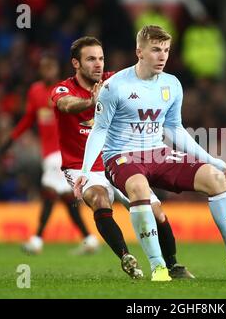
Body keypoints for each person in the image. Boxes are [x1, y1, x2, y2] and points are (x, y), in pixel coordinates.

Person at [75, 25, 226, 281]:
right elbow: (99, 131)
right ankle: (158, 266)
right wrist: (84, 171)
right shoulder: (114, 87)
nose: (162, 56)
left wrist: (213, 160)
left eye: (166, 50)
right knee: (138, 187)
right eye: (156, 50)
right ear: (140, 52)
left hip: (157, 153)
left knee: (215, 178)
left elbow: (174, 129)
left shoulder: (172, 84)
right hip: (121, 157)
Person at [51, 36, 194, 279]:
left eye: (101, 58)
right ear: (76, 63)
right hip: (83, 167)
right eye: (90, 59)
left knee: (157, 211)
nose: (98, 64)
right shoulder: (63, 89)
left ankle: (173, 264)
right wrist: (92, 101)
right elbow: (66, 105)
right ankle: (126, 257)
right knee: (99, 199)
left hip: (121, 161)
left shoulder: (115, 81)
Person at [0, 54, 99, 255]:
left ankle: (36, 240)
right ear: (40, 70)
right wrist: (10, 140)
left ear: (57, 70)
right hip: (49, 153)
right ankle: (89, 238)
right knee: (66, 198)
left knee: (48, 193)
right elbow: (28, 119)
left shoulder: (64, 92)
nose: (48, 71)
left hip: (62, 151)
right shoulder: (35, 91)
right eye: (44, 67)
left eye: (51, 67)